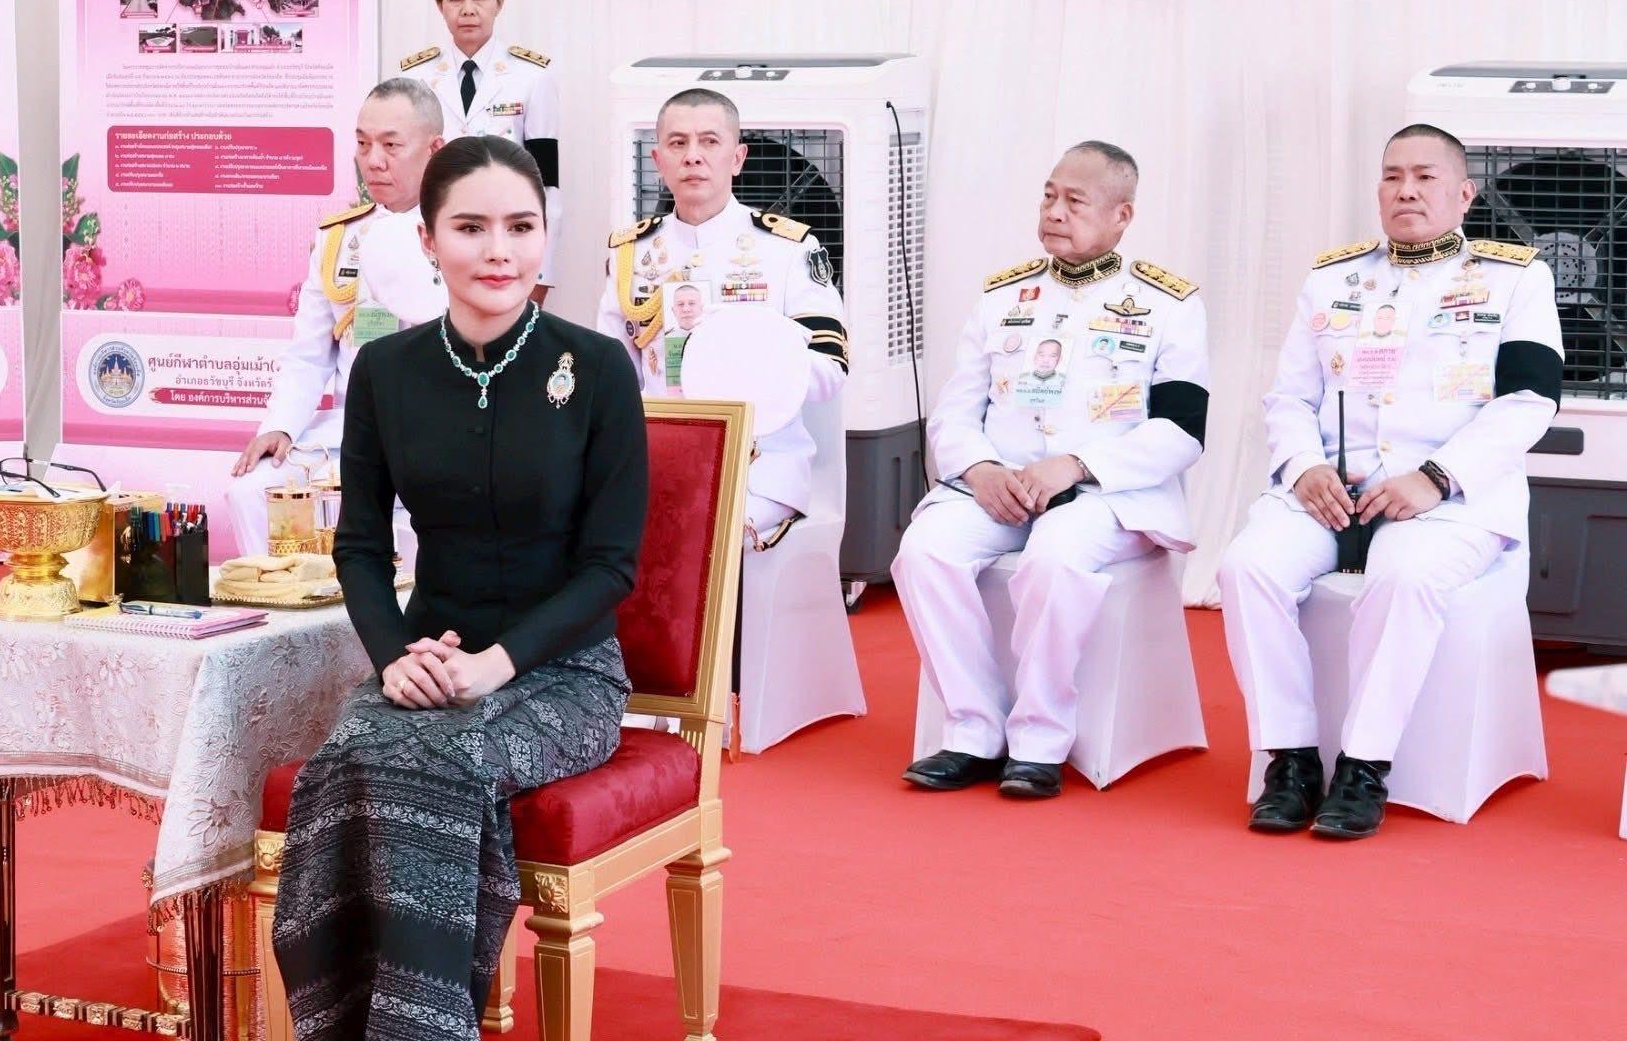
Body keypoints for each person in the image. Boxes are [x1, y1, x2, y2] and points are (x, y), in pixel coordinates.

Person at [271, 137, 647, 1041]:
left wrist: (498, 664)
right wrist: (393, 655)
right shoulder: (387, 370)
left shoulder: (596, 368)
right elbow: (358, 547)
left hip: (564, 673)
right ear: (429, 241)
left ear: (544, 237)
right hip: (427, 654)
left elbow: (611, 567)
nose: (498, 251)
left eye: (520, 227)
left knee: (444, 756)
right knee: (345, 757)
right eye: (471, 228)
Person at [1218, 123, 1562, 840]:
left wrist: (1436, 477)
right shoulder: (1333, 279)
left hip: (1450, 500)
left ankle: (1363, 766)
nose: (1406, 190)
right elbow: (1288, 399)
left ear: (1464, 194)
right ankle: (1290, 759)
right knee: (1246, 567)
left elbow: (1531, 400)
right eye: (1392, 176)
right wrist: (1304, 467)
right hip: (1331, 491)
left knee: (1402, 577)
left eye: (1425, 177)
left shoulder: (1516, 277)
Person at [892, 141, 1209, 800]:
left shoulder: (1168, 304)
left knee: (1055, 557)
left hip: (1106, 494)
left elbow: (1182, 431)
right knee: (923, 552)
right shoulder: (1003, 296)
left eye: (1075, 201)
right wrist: (980, 470)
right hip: (1000, 488)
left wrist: (1078, 464)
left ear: (1122, 215)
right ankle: (973, 728)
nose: (1055, 212)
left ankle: (1038, 739)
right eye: (1049, 196)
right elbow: (954, 413)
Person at [597, 86, 849, 547]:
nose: (693, 156)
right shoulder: (631, 255)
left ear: (737, 157)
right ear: (658, 160)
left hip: (759, 466)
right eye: (678, 143)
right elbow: (611, 376)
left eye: (709, 141)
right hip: (658, 458)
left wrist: (745, 349)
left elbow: (830, 369)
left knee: (695, 531)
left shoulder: (788, 250)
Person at [226, 79, 446, 554]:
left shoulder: (463, 234)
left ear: (435, 149)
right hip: (352, 431)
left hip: (437, 432)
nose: (373, 160)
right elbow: (308, 356)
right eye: (363, 144)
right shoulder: (339, 239)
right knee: (250, 489)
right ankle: (279, 600)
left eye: (391, 146)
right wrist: (280, 425)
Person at [397, 0, 560, 302]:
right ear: (440, 5)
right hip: (434, 248)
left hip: (504, 249)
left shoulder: (531, 77)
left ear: (499, 2)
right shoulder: (415, 78)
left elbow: (547, 186)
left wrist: (540, 274)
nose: (468, 9)